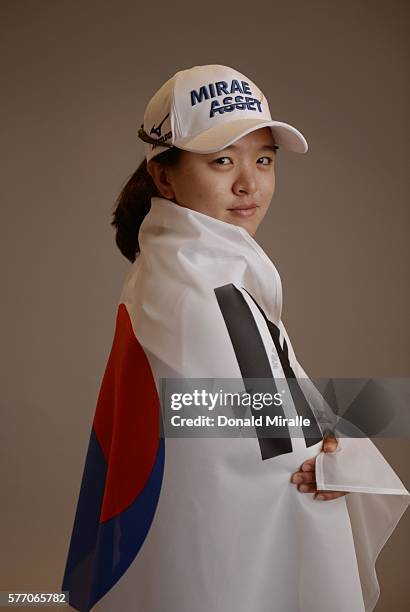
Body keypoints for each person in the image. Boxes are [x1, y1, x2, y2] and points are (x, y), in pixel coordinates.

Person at [62, 64, 409, 612]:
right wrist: (378, 418)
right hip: (219, 559)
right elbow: (277, 440)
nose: (249, 184)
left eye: (263, 160)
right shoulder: (203, 286)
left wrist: (336, 432)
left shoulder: (179, 264)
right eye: (221, 160)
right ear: (164, 175)